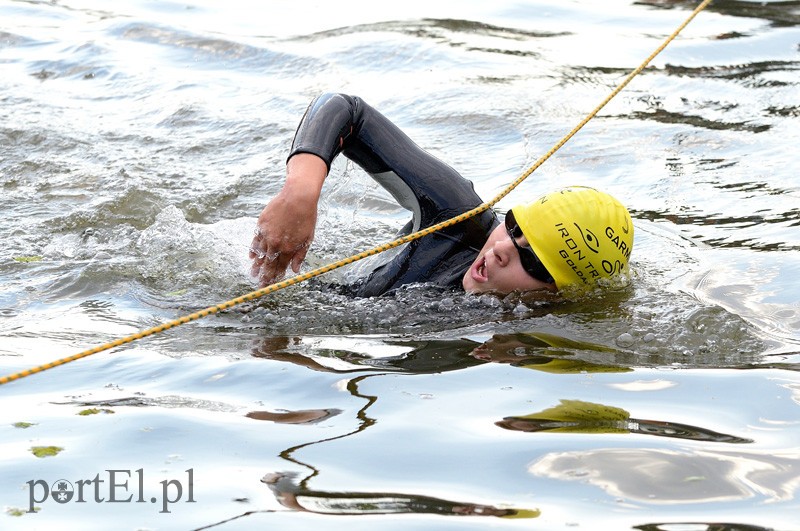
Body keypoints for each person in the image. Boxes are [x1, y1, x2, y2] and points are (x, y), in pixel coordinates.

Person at [250, 93, 633, 298]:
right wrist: (299, 194)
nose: (501, 249)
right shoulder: (457, 221)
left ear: (558, 294)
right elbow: (346, 110)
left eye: (531, 260)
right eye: (514, 227)